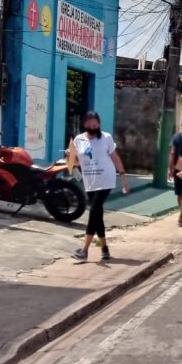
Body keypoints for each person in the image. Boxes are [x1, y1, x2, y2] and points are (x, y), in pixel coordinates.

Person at [67, 111, 129, 261]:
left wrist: (124, 177)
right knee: (98, 215)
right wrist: (69, 157)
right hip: (90, 181)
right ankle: (105, 248)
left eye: (95, 125)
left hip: (106, 179)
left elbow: (115, 157)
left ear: (99, 124)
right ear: (84, 124)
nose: (92, 127)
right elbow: (75, 162)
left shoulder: (106, 138)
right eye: (89, 125)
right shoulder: (79, 139)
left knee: (93, 211)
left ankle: (84, 250)